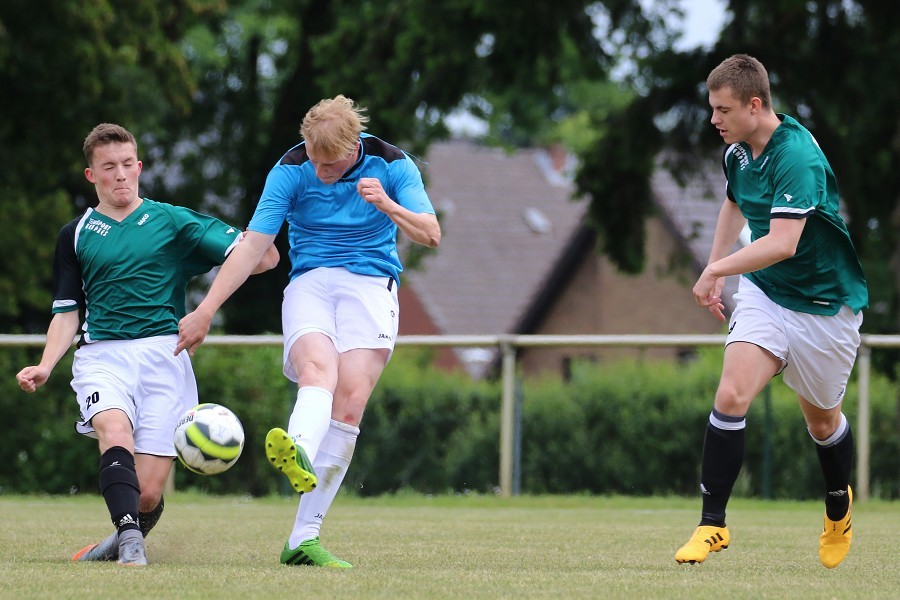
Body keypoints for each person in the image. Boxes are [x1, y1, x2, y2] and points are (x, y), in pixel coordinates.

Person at [176, 95, 441, 568]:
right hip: (311, 281)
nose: (319, 171)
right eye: (314, 160)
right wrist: (206, 310)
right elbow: (253, 245)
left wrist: (386, 204)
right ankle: (297, 445)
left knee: (351, 403)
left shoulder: (392, 164)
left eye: (331, 164)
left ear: (354, 147)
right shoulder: (290, 168)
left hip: (371, 284)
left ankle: (303, 537)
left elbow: (430, 234)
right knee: (318, 371)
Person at [15, 123, 279, 566]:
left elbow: (264, 258)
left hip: (165, 356)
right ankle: (132, 548)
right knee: (113, 431)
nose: (120, 175)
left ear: (139, 167)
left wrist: (218, 292)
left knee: (148, 492)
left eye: (126, 165)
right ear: (91, 175)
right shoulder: (75, 234)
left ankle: (120, 537)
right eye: (108, 167)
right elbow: (67, 312)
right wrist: (46, 364)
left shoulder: (172, 222)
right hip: (102, 357)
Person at [674, 55, 868, 568]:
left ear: (754, 105)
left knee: (823, 422)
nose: (713, 119)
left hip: (826, 307)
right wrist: (719, 265)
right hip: (766, 293)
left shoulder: (796, 156)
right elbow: (734, 203)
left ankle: (837, 505)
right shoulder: (736, 153)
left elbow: (782, 242)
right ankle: (711, 524)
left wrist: (716, 271)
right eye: (712, 108)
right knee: (731, 392)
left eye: (723, 109)